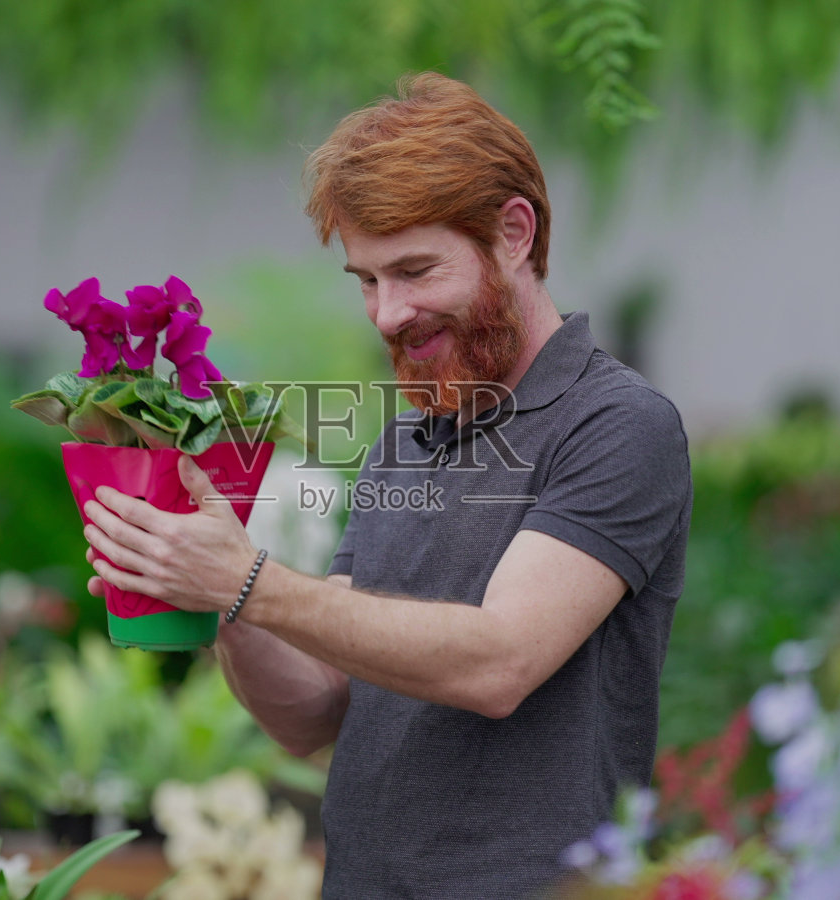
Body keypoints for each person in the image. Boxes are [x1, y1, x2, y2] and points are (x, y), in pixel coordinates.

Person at [82, 72, 692, 899]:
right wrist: (208, 587)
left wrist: (247, 580)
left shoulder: (616, 424)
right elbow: (316, 713)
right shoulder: (411, 430)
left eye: (413, 270)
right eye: (367, 280)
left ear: (514, 233)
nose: (386, 314)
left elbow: (499, 663)